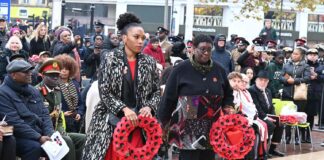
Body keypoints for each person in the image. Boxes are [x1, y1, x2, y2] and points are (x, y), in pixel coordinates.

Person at [82, 12, 161, 159]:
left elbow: (156, 91)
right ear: (124, 38)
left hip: (140, 125)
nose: (140, 41)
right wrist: (124, 109)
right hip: (110, 123)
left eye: (143, 38)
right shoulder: (110, 59)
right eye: (136, 37)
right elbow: (104, 92)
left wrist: (149, 106)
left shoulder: (149, 62)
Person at [158, 34, 234, 160]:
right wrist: (162, 122)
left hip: (212, 127)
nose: (206, 53)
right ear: (193, 49)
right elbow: (168, 98)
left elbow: (228, 94)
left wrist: (228, 107)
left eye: (209, 50)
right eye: (202, 49)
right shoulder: (180, 69)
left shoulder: (219, 70)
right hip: (188, 128)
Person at [0, 60, 53, 159]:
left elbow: (45, 114)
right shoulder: (3, 93)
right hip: (18, 136)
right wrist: (39, 137)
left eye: (30, 71)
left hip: (38, 132)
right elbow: (14, 122)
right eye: (25, 72)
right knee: (34, 147)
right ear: (14, 75)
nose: (30, 74)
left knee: (63, 142)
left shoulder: (33, 91)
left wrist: (49, 133)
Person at [36, 59, 86, 160]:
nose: (55, 78)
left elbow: (58, 117)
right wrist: (54, 133)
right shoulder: (37, 92)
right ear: (43, 75)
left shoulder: (57, 91)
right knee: (67, 140)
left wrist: (61, 131)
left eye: (57, 75)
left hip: (57, 130)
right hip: (43, 133)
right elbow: (37, 119)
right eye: (51, 75)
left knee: (84, 138)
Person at [248, 70, 285, 157]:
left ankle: (272, 149)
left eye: (265, 81)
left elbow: (271, 106)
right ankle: (263, 150)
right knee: (270, 125)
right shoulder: (252, 90)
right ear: (256, 80)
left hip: (268, 115)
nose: (263, 82)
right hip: (258, 116)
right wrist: (265, 117)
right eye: (261, 80)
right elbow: (256, 107)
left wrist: (274, 116)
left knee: (280, 124)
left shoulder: (268, 91)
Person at [280, 47, 311, 144]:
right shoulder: (286, 65)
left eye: (296, 54)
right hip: (287, 93)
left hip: (299, 94)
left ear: (301, 56)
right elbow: (281, 77)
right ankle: (288, 137)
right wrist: (286, 80)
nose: (293, 55)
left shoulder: (305, 66)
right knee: (288, 115)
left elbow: (307, 78)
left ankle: (298, 137)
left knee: (298, 115)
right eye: (293, 53)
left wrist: (295, 81)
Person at [55, 54, 84, 133]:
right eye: (61, 69)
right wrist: (63, 113)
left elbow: (81, 102)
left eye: (67, 69)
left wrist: (79, 113)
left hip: (75, 119)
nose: (64, 71)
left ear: (71, 70)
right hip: (61, 121)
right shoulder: (54, 84)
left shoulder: (75, 83)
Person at [305, 49, 322, 133]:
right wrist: (308, 76)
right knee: (303, 113)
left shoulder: (321, 66)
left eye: (315, 55)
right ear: (307, 56)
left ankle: (308, 134)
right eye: (311, 54)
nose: (313, 56)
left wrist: (316, 76)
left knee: (311, 114)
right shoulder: (303, 65)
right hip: (303, 92)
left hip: (315, 93)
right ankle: (301, 134)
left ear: (317, 56)